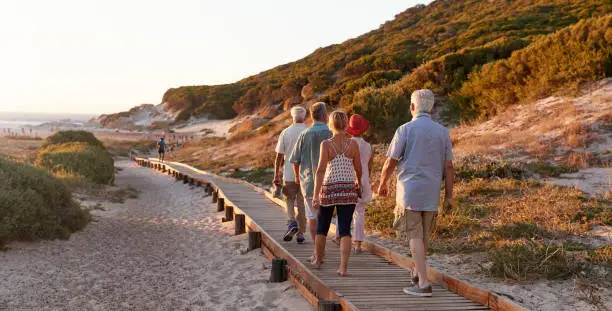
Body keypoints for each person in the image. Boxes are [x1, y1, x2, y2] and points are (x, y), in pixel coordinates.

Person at [377, 89, 455, 297]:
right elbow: (449, 167)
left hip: (409, 192)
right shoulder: (442, 132)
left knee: (414, 236)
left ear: (412, 107)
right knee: (423, 237)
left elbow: (391, 160)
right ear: (432, 108)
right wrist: (449, 195)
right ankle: (416, 272)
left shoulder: (405, 130)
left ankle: (422, 283)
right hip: (431, 192)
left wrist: (382, 182)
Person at [312, 110, 362, 276]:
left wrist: (315, 194)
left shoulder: (326, 144)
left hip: (329, 188)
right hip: (348, 189)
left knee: (322, 226)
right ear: (346, 124)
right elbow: (358, 168)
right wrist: (359, 183)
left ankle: (318, 259)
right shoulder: (353, 144)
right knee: (345, 229)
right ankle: (343, 268)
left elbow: (320, 171)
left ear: (330, 125)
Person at [289, 102, 332, 256]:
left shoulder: (304, 135)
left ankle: (317, 251)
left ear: (312, 117)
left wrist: (296, 177)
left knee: (313, 217)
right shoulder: (330, 133)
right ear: (325, 116)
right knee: (325, 217)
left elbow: (295, 160)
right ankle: (325, 247)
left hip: (308, 183)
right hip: (329, 182)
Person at [274, 106, 308, 243]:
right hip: (305, 175)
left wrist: (276, 174)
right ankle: (300, 234)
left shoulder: (285, 132)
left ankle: (291, 222)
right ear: (304, 117)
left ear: (292, 117)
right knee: (301, 204)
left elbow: (279, 156)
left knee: (289, 200)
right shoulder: (308, 132)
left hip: (288, 174)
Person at [345, 114, 373, 253]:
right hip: (363, 180)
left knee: (344, 211)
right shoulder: (368, 146)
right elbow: (370, 166)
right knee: (360, 212)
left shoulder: (347, 145)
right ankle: (358, 244)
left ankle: (340, 237)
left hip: (348, 179)